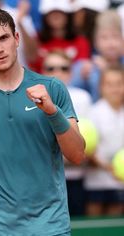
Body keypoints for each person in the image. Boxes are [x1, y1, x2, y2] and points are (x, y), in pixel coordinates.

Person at [0, 8, 86, 236]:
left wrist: (52, 111)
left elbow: (77, 155)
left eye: (3, 38)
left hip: (49, 227)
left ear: (17, 38)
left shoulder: (52, 88)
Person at [41, 49, 92, 216]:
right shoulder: (32, 99)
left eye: (63, 68)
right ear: (42, 71)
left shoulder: (83, 97)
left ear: (71, 72)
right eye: (51, 68)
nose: (57, 73)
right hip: (44, 180)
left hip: (76, 176)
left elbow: (87, 139)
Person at [84, 66, 124, 216]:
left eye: (119, 83)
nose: (115, 89)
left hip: (120, 181)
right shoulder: (94, 112)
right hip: (96, 181)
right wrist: (106, 166)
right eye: (109, 84)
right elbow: (88, 146)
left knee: (114, 225)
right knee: (95, 224)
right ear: (101, 87)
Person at [71, 9, 124, 102]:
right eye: (104, 37)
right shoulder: (85, 67)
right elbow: (71, 95)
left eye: (115, 36)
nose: (111, 44)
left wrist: (107, 71)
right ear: (95, 42)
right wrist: (81, 77)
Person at [30, 0, 91, 73]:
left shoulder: (81, 41)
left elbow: (82, 70)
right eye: (51, 12)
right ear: (45, 17)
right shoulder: (36, 40)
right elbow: (31, 67)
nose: (56, 15)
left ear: (68, 15)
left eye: (60, 12)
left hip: (71, 83)